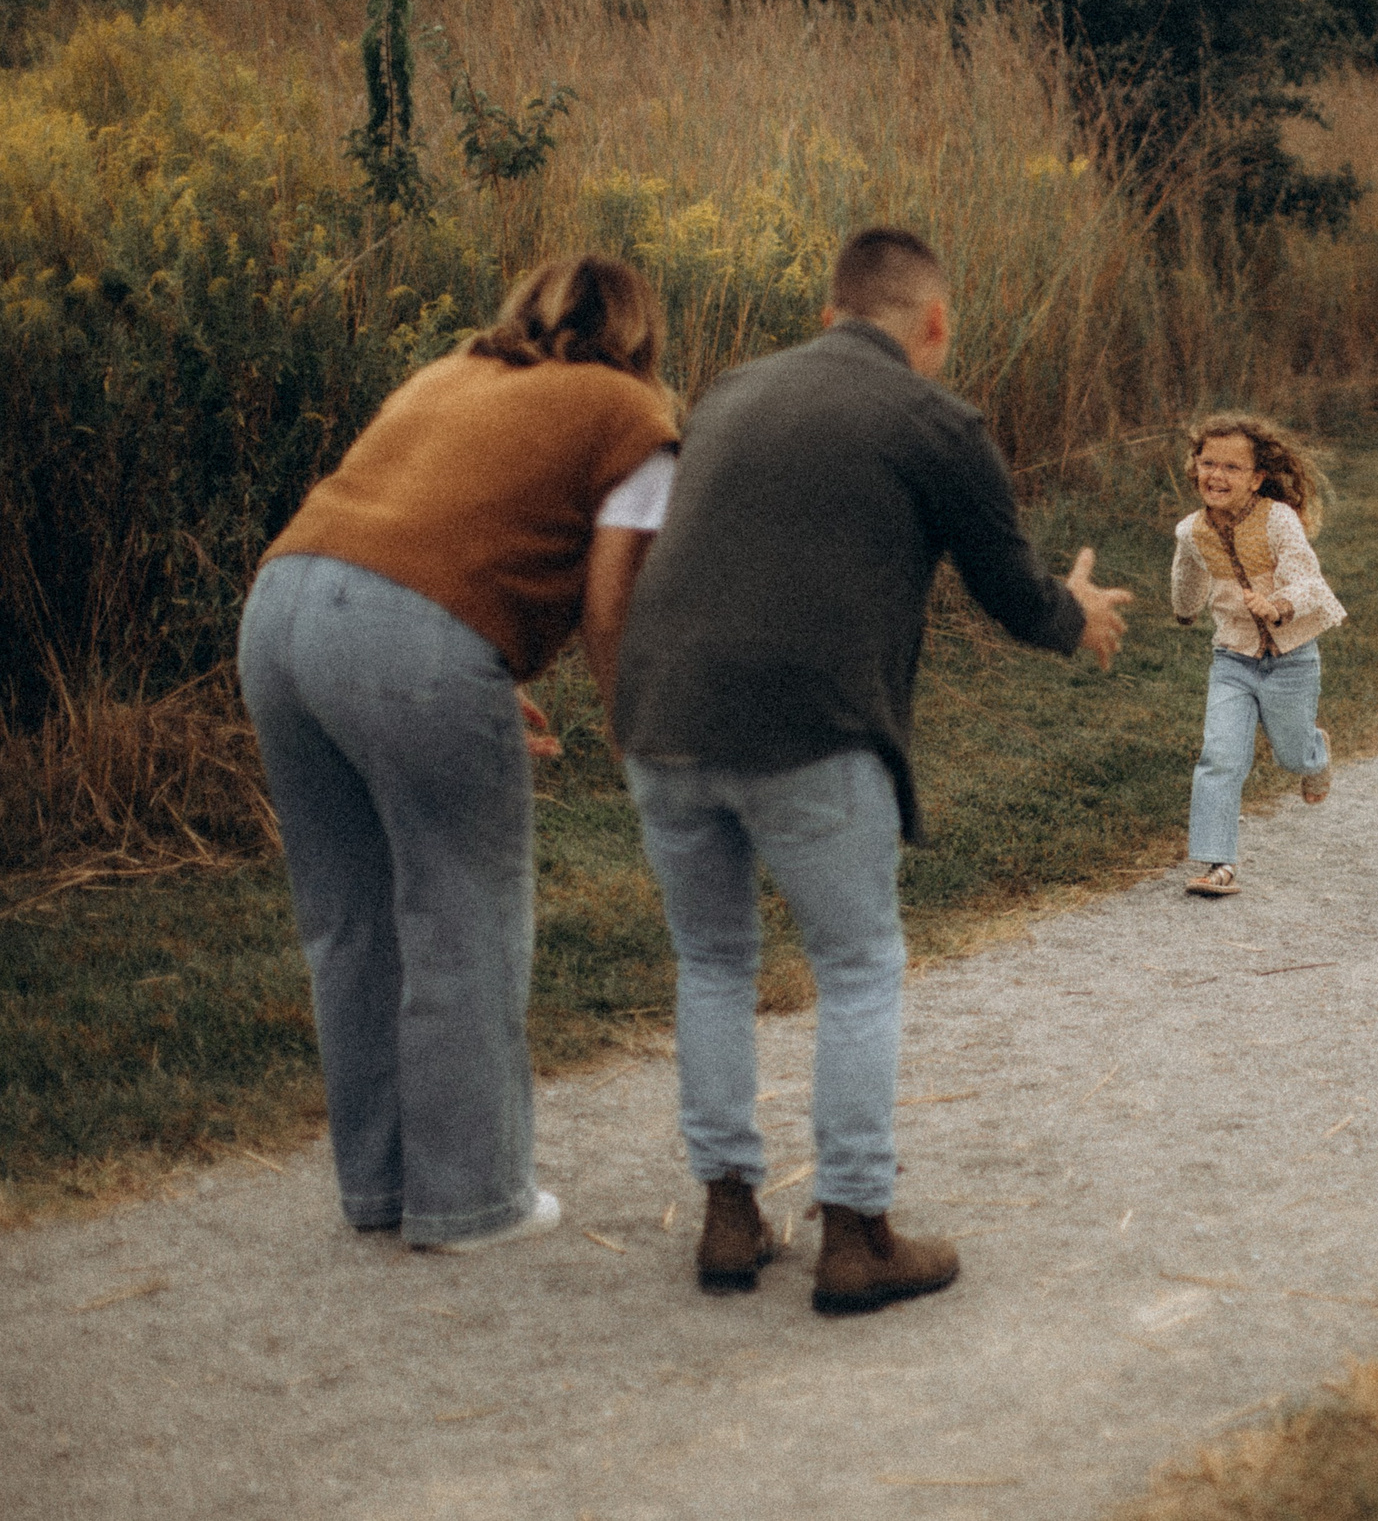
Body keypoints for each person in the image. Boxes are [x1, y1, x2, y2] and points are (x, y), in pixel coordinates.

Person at [613, 227, 1131, 1313]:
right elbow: (1010, 590)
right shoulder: (934, 420)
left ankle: (727, 1215)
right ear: (933, 323)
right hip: (811, 721)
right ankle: (855, 1232)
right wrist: (1073, 612)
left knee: (711, 962)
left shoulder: (729, 391)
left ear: (829, 316)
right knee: (855, 968)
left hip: (660, 714)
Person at [237, 255, 679, 1250]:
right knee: (463, 912)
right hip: (409, 640)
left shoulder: (451, 372)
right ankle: (472, 1201)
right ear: (639, 333)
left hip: (280, 611)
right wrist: (634, 732)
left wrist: (460, 662)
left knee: (348, 921)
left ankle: (380, 1188)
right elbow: (613, 603)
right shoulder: (633, 416)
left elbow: (417, 530)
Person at [1169, 413, 1346, 898]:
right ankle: (1218, 863)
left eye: (1232, 467)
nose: (1217, 475)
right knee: (1220, 757)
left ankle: (1314, 751)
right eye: (1209, 463)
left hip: (1292, 659)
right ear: (1195, 467)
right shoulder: (1191, 531)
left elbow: (1308, 578)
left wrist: (1279, 605)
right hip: (1233, 660)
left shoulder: (1277, 519)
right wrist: (1184, 610)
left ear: (1256, 478)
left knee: (1292, 754)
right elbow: (1187, 575)